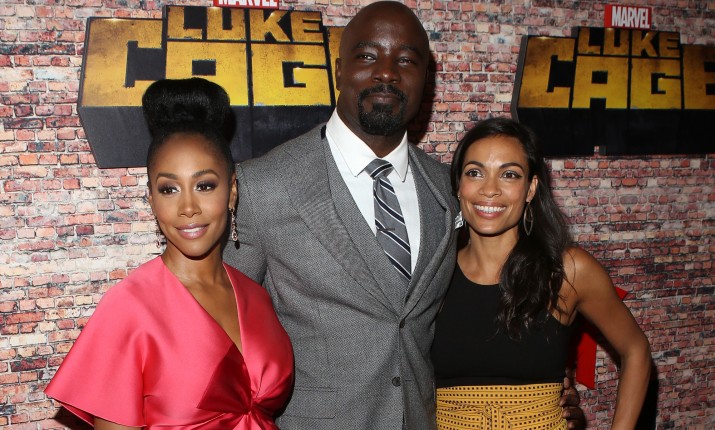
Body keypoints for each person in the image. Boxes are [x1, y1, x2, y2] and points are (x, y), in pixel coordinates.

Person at [225, 2, 583, 429]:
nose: (387, 73)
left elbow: (481, 300)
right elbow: (221, 330)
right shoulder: (262, 185)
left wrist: (545, 383)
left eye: (407, 60)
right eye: (367, 55)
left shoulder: (449, 189)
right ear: (339, 69)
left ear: (425, 80)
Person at [45, 78, 294, 429]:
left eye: (204, 185)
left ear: (232, 192)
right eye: (169, 189)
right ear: (151, 200)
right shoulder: (129, 309)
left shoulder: (256, 296)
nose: (188, 207)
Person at [431, 117, 652, 429]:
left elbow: (636, 349)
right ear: (458, 185)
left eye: (509, 174)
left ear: (531, 188)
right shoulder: (431, 271)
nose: (489, 190)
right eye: (475, 172)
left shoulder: (567, 270)